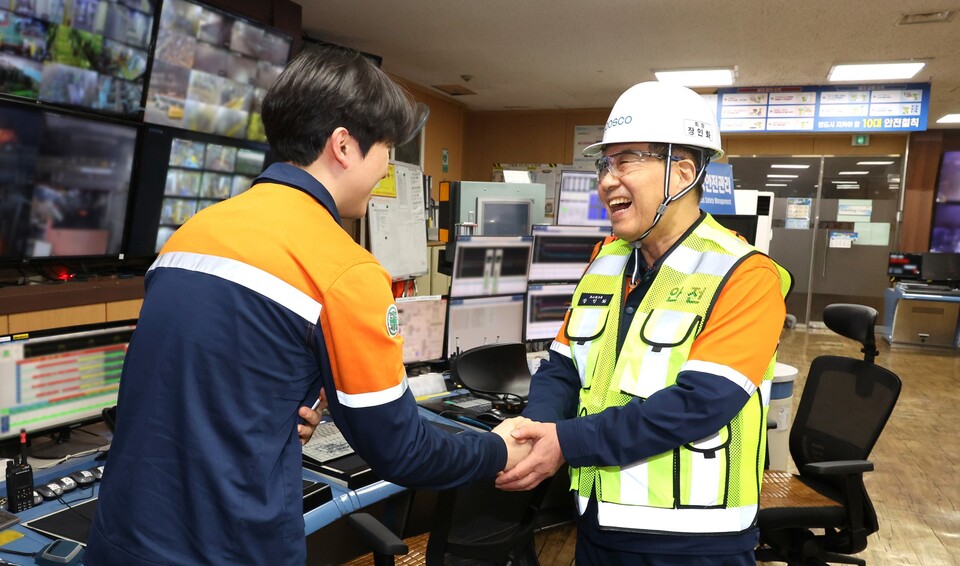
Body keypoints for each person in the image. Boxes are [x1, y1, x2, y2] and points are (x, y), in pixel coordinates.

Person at [86, 47, 529, 566]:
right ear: (344, 145)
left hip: (120, 539)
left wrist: (269, 414)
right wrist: (497, 449)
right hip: (227, 550)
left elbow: (189, 384)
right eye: (387, 147)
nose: (387, 165)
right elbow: (403, 450)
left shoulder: (190, 235)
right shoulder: (345, 269)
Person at [496, 81, 793, 565]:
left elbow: (697, 405)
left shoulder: (746, 275)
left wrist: (565, 442)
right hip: (598, 525)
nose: (608, 181)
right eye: (604, 165)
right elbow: (563, 363)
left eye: (626, 161)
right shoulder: (607, 259)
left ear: (681, 173)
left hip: (693, 543)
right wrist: (538, 428)